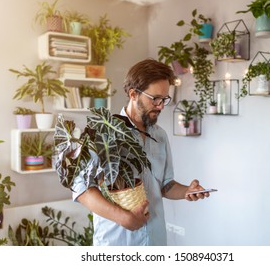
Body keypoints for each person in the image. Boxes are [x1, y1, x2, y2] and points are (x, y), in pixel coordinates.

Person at [72, 58, 210, 246]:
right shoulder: (103, 132)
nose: (161, 106)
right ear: (133, 94)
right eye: (155, 99)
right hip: (117, 244)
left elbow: (165, 185)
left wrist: (186, 191)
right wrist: (123, 218)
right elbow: (80, 188)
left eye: (164, 99)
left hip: (156, 241)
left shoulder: (160, 136)